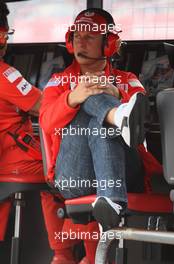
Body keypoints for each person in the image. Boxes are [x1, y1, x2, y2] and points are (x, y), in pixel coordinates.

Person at [40, 8, 146, 262]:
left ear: (108, 43)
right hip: (75, 174)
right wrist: (73, 98)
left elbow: (144, 117)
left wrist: (118, 95)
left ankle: (112, 117)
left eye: (89, 36)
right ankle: (115, 117)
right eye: (77, 35)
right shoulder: (58, 81)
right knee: (90, 93)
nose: (80, 41)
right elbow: (46, 122)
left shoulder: (128, 81)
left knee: (98, 104)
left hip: (126, 172)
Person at [0, 2, 92, 264]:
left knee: (54, 180)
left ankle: (62, 255)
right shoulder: (4, 75)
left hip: (7, 159)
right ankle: (84, 254)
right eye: (2, 36)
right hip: (15, 161)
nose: (5, 43)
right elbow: (45, 106)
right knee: (74, 173)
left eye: (7, 36)